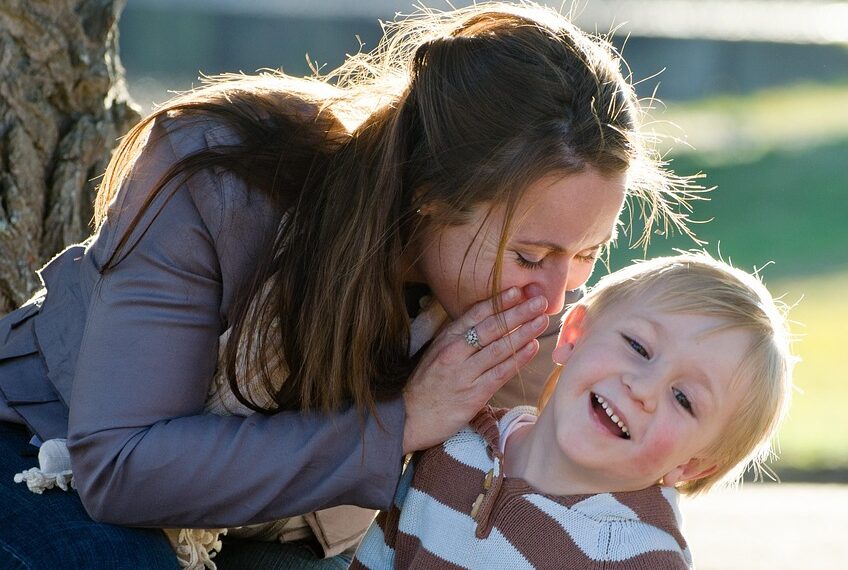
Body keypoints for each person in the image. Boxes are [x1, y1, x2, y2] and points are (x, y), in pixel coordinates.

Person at [0, 2, 697, 568]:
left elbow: (550, 471)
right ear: (429, 196)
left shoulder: (526, 306)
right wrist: (404, 423)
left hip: (275, 527)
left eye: (586, 254)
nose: (554, 297)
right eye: (530, 255)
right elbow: (119, 465)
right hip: (47, 452)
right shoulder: (219, 175)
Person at [351, 252, 795, 569]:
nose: (642, 388)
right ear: (574, 335)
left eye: (684, 399)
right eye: (638, 346)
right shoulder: (454, 443)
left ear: (692, 465)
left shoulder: (639, 558)